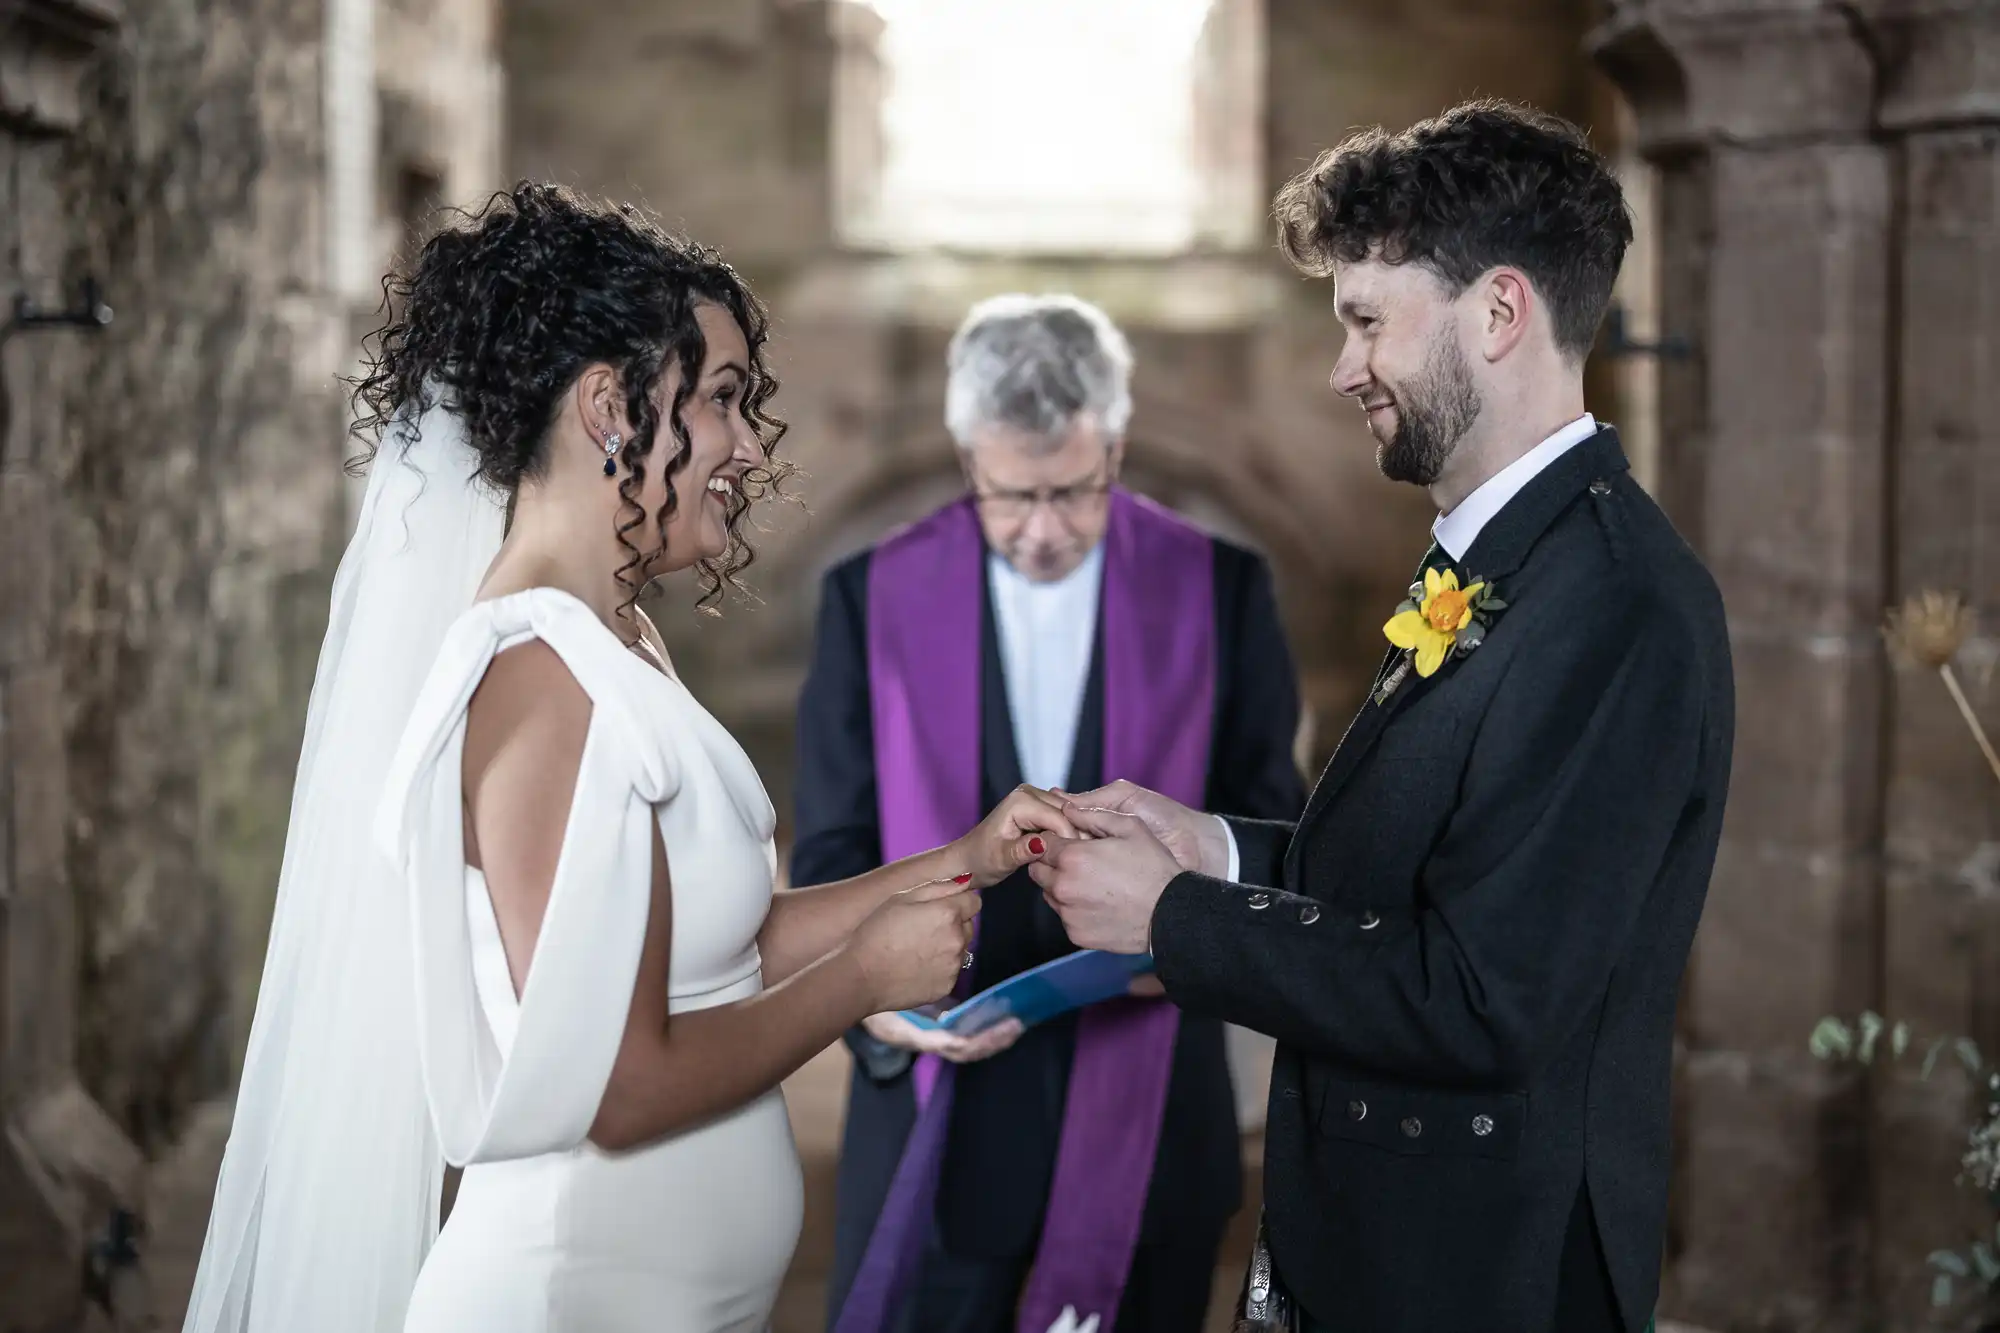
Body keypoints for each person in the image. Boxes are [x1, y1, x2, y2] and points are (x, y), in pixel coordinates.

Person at [179, 183, 1078, 1333]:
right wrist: (862, 980)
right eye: (719, 400)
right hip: (569, 1295)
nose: (748, 449)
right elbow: (618, 1084)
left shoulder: (613, 638)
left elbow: (720, 942)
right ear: (609, 407)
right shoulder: (537, 678)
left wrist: (962, 860)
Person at [1031, 101, 1733, 1333]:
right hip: (1377, 1249)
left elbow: (1483, 995)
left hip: (1481, 1278)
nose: (1341, 365)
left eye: (1366, 321)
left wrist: (1170, 916)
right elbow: (1421, 882)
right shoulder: (1506, 558)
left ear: (1499, 312)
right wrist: (1217, 848)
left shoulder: (1616, 602)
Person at [793, 293, 1306, 1333]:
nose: (1038, 530)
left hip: (1151, 1109)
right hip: (939, 1115)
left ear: (1114, 445)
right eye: (1007, 495)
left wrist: (1196, 930)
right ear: (963, 455)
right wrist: (869, 1006)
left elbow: (1267, 825)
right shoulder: (870, 593)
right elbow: (835, 843)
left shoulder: (1222, 588)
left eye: (1071, 493)